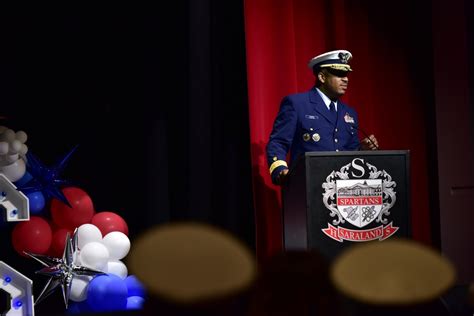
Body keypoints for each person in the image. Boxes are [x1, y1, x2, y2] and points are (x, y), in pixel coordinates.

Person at [266, 50, 378, 185]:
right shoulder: (297, 104)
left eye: (347, 74)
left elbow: (349, 153)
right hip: (308, 185)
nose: (346, 79)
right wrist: (280, 169)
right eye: (339, 74)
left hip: (344, 190)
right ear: (322, 77)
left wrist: (362, 149)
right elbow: (278, 142)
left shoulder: (349, 113)